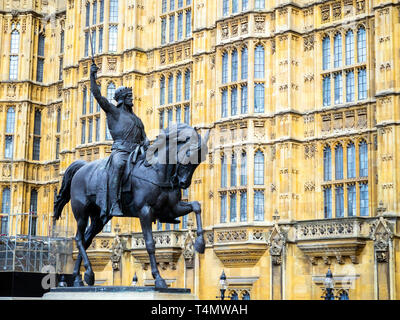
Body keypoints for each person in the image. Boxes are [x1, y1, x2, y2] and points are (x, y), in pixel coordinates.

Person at [90, 62, 148, 218]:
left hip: (137, 152)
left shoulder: (136, 119)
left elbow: (144, 137)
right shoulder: (113, 112)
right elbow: (98, 96)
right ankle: (114, 203)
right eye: (129, 97)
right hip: (121, 151)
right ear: (122, 98)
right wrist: (92, 76)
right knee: (118, 165)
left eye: (131, 96)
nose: (131, 99)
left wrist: (148, 144)